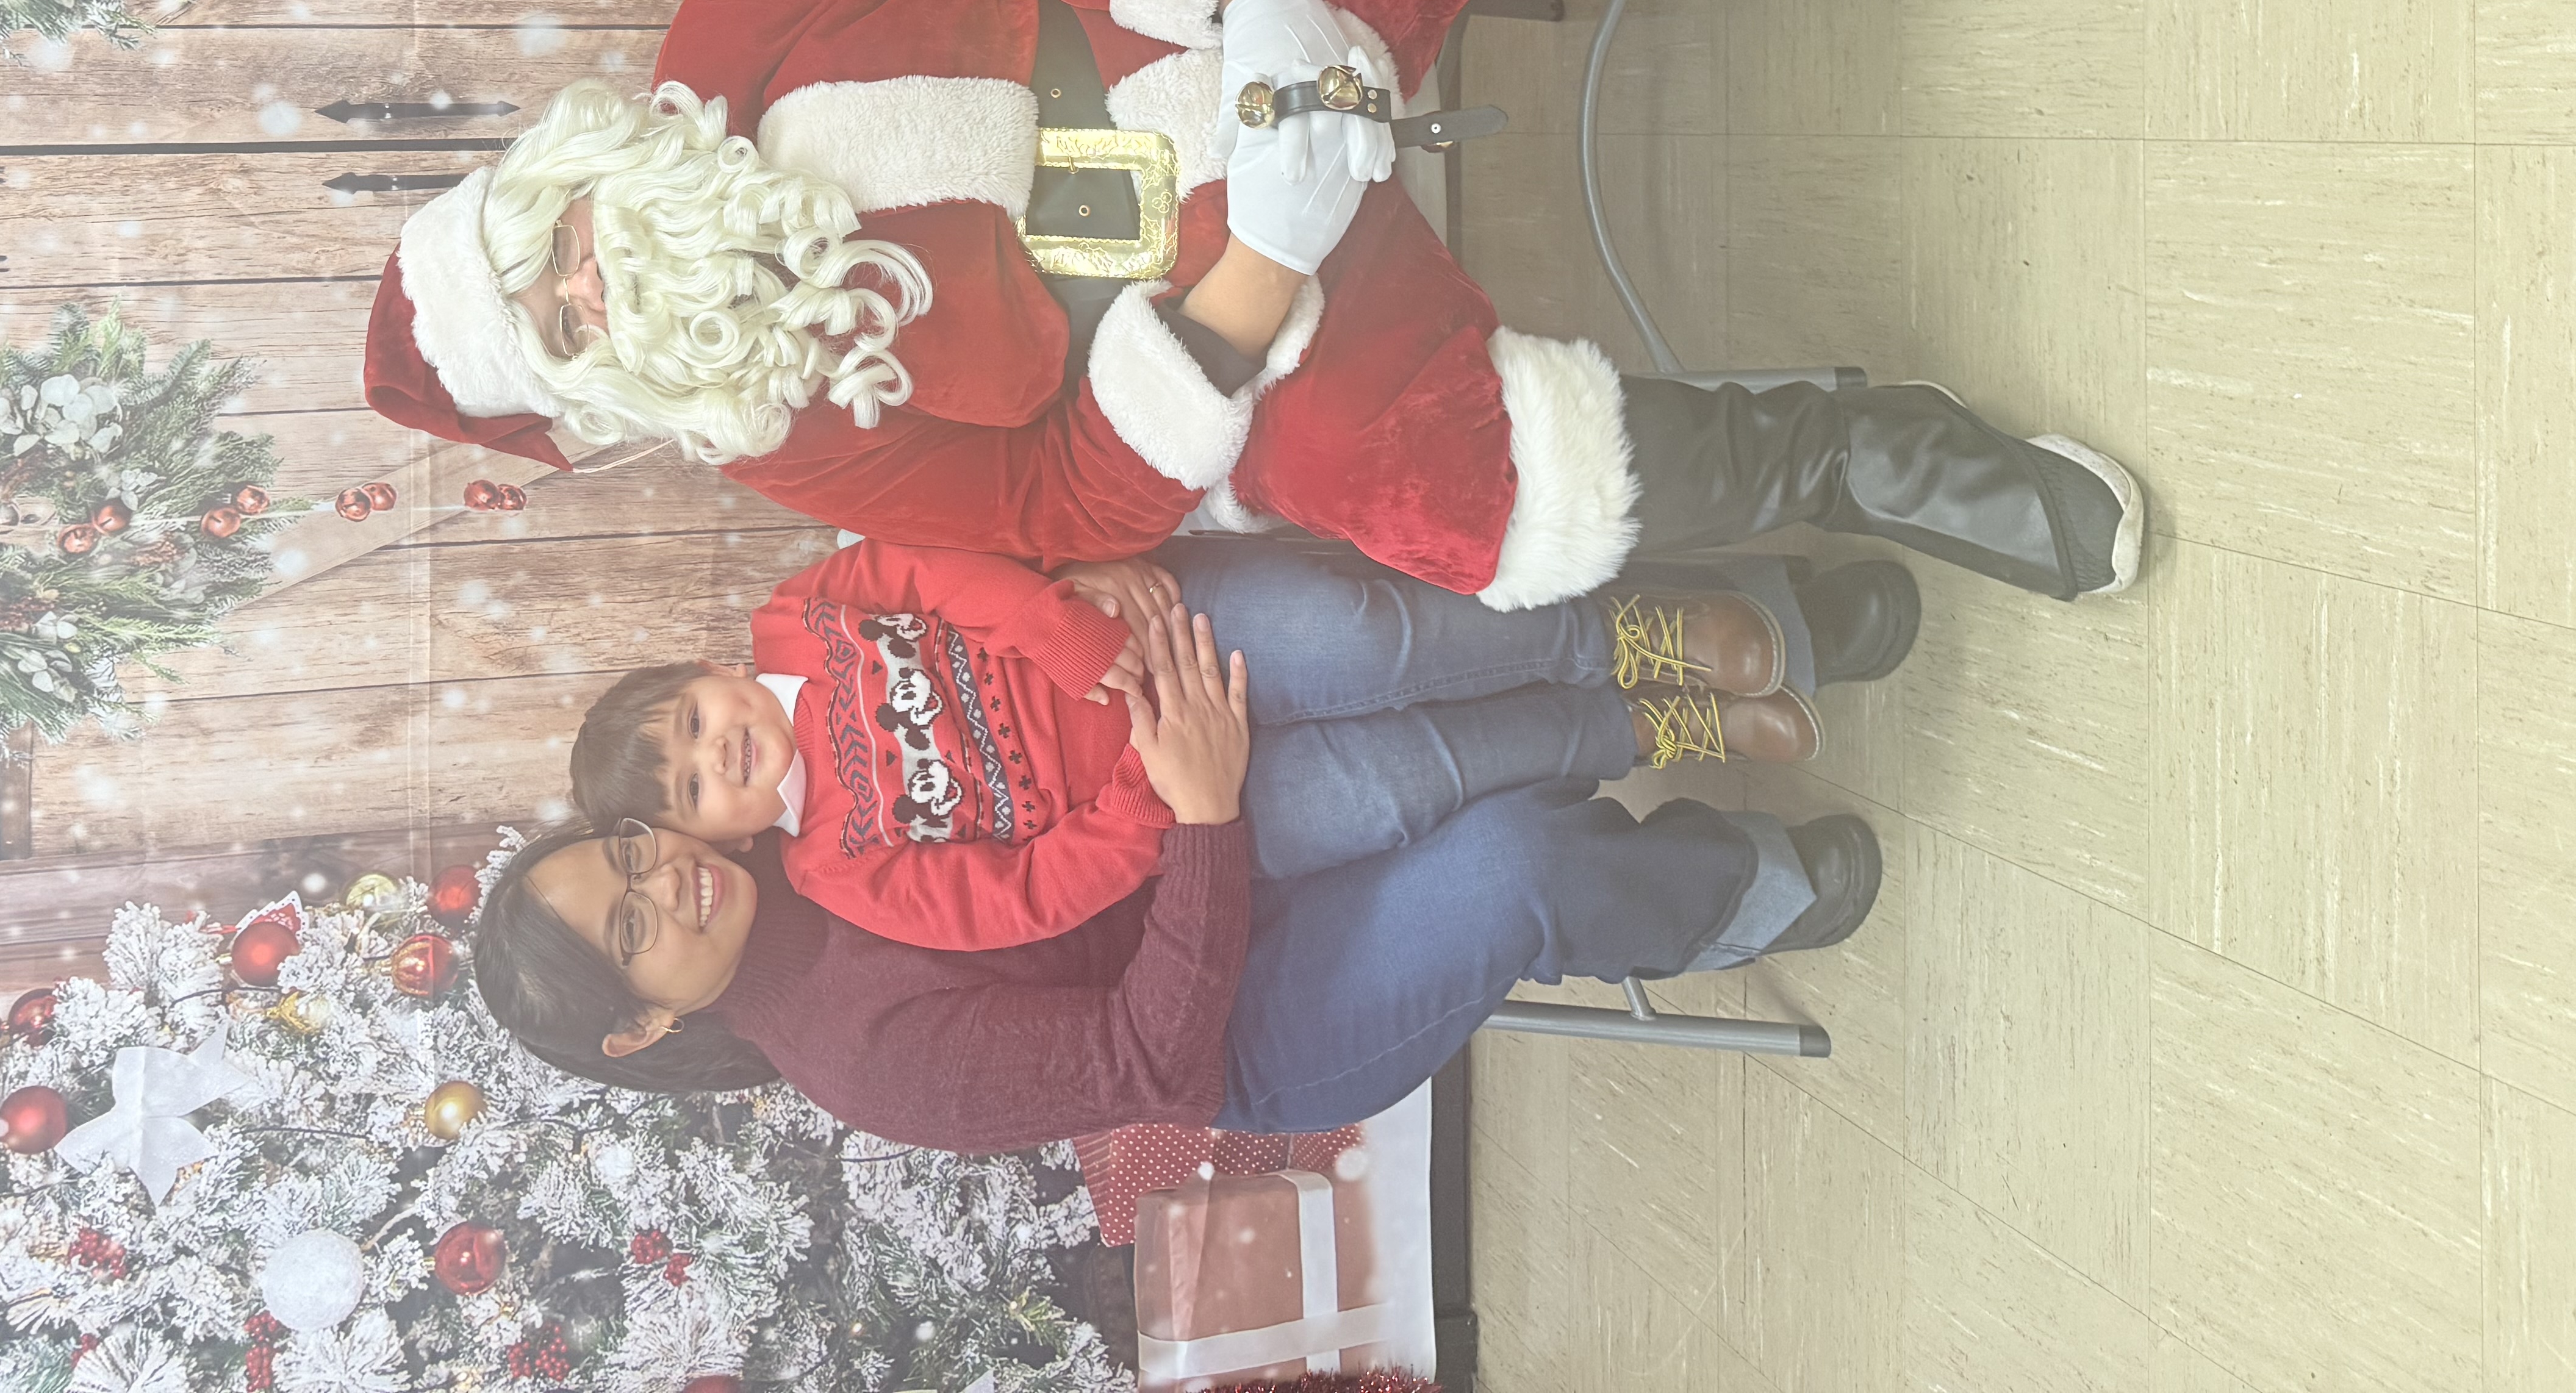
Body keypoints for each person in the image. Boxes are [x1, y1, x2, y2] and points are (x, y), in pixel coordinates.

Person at [364, 0, 2144, 605]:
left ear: (561, 179)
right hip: (1230, 295)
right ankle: (1850, 456)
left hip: (1200, 9)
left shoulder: (726, 36)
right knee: (1443, 492)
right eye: (571, 324)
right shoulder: (783, 441)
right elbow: (1064, 501)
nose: (601, 278)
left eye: (557, 248)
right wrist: (1263, 263)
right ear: (603, 387)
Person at [471, 607, 1885, 1148]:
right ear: (644, 1022)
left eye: (631, 855)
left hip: (1183, 835)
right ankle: (1743, 886)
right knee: (1510, 865)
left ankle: (1669, 652)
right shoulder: (869, 1066)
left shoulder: (777, 803)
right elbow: (1152, 1054)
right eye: (635, 928)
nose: (674, 877)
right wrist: (1206, 817)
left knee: (1338, 660)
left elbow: (942, 654)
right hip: (1244, 1022)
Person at [566, 535, 1822, 951]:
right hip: (1186, 801)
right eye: (690, 788)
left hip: (1165, 645)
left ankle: (1621, 633)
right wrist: (1151, 798)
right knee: (1400, 787)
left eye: (692, 721)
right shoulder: (839, 866)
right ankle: (1638, 719)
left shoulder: (801, 613)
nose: (715, 754)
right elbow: (1018, 901)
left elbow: (937, 568)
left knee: (1372, 638)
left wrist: (1062, 633)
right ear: (716, 835)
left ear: (709, 672)